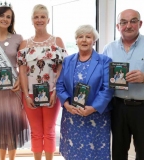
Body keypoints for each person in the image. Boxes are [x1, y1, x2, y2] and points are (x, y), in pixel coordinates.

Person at [56, 25, 114, 160]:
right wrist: (66, 104)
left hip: (96, 117)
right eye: (80, 37)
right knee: (73, 153)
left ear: (94, 41)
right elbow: (60, 85)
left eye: (88, 37)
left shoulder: (105, 61)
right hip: (72, 116)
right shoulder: (68, 60)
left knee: (95, 154)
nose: (84, 40)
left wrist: (93, 108)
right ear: (76, 40)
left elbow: (108, 88)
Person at [18, 4, 67, 160]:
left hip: (52, 94)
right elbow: (22, 72)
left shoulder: (57, 41)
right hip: (30, 94)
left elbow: (61, 68)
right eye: (36, 17)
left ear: (48, 20)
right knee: (36, 131)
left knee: (50, 131)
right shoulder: (25, 44)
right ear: (32, 20)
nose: (39, 20)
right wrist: (26, 95)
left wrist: (56, 91)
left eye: (42, 17)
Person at [0, 3, 29, 160]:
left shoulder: (18, 38)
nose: (5, 19)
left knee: (13, 124)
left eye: (8, 17)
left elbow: (24, 65)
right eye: (2, 15)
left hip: (14, 86)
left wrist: (21, 83)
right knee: (1, 124)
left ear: (11, 20)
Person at [103, 9, 144, 160]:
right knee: (118, 152)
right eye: (124, 22)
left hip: (142, 108)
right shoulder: (109, 48)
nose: (128, 25)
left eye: (133, 21)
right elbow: (102, 76)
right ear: (118, 26)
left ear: (140, 24)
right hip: (118, 107)